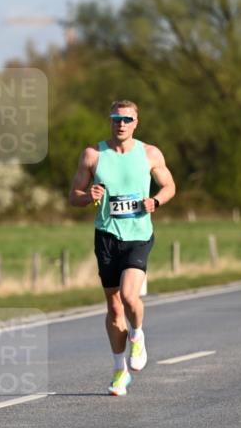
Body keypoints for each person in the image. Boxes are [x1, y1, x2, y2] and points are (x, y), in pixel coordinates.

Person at [68, 100, 176, 396]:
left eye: (127, 119)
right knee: (114, 307)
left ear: (136, 122)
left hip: (139, 235)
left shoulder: (150, 153)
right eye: (117, 118)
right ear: (110, 120)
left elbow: (169, 186)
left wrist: (156, 201)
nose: (121, 124)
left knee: (130, 296)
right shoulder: (93, 155)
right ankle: (119, 371)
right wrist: (87, 195)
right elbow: (73, 196)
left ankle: (138, 335)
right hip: (106, 237)